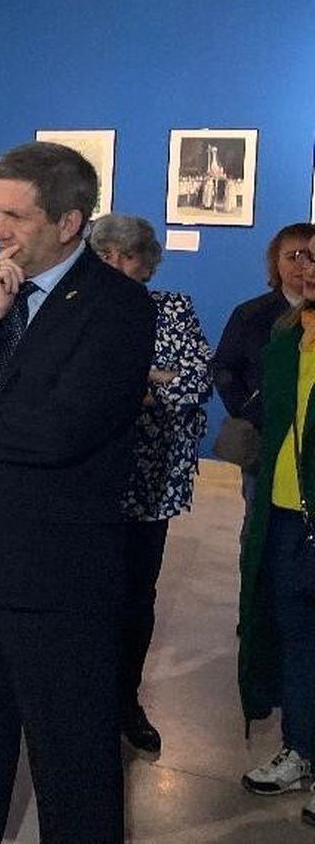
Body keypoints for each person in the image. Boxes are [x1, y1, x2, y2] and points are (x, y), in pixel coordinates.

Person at [0, 141, 155, 844]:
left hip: (55, 569)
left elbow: (60, 434)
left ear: (70, 223)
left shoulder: (118, 307)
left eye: (16, 216)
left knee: (69, 753)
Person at [88, 213, 213, 754]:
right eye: (106, 254)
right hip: (85, 480)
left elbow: (194, 381)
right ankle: (81, 700)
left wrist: (129, 385)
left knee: (137, 596)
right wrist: (144, 379)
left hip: (150, 482)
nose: (117, 263)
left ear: (147, 261)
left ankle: (124, 699)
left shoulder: (172, 308)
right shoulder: (79, 311)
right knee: (84, 595)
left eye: (129, 254)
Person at [238, 293, 315, 817]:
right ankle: (302, 749)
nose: (308, 269)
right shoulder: (288, 339)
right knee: (297, 638)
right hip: (286, 511)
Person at [215, 223, 315, 509]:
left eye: (307, 256)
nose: (301, 265)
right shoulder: (251, 314)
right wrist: (249, 410)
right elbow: (224, 368)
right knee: (260, 520)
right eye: (291, 256)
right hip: (265, 435)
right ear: (275, 261)